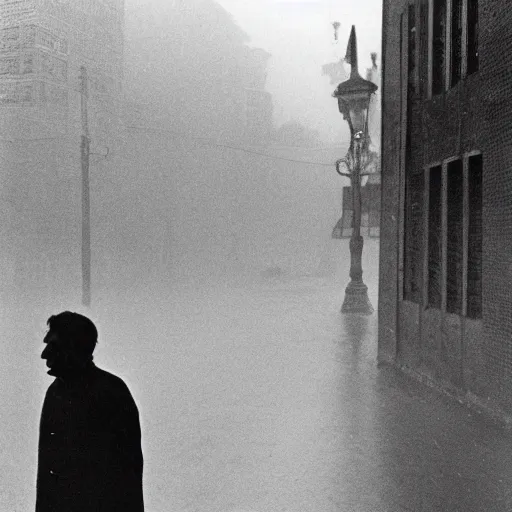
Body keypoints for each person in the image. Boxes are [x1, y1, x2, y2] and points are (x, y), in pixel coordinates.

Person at [36, 311, 144, 512]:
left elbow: (128, 479)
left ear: (73, 349)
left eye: (53, 346)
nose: (44, 354)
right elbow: (47, 477)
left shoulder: (112, 394)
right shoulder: (56, 393)